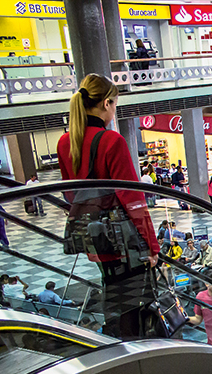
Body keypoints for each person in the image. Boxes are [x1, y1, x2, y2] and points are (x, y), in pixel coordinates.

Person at [57, 74, 159, 339]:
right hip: (121, 238)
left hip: (91, 235)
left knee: (113, 291)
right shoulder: (112, 141)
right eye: (114, 104)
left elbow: (71, 193)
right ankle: (131, 351)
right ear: (106, 103)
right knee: (133, 303)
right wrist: (151, 245)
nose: (114, 110)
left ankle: (116, 345)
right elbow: (132, 198)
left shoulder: (65, 142)